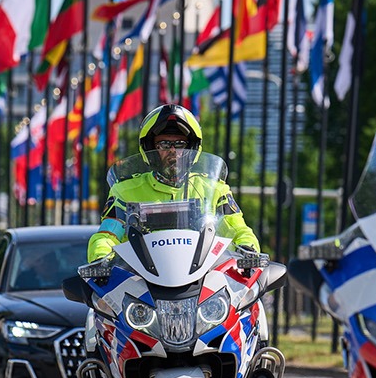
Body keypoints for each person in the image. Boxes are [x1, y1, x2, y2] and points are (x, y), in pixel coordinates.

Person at [86, 104, 261, 261]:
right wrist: (101, 256)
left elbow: (237, 228)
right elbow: (107, 234)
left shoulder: (214, 189)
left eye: (180, 144)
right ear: (149, 148)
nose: (172, 151)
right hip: (140, 279)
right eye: (163, 144)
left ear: (192, 148)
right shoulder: (125, 190)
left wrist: (248, 247)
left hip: (203, 277)